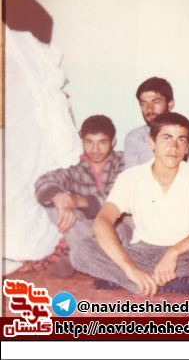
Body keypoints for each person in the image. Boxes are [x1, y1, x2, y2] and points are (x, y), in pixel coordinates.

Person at [71, 112, 189, 295]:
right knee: (82, 250)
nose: (173, 146)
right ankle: (164, 281)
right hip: (143, 251)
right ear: (152, 143)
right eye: (166, 138)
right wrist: (129, 268)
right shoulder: (131, 177)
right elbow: (101, 222)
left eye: (181, 140)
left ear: (187, 148)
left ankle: (132, 280)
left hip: (186, 250)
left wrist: (173, 252)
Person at [34, 115, 126, 277]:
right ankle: (90, 259)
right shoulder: (77, 168)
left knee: (122, 229)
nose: (95, 149)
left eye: (102, 142)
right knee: (54, 206)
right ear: (82, 141)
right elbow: (43, 181)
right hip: (87, 230)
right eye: (89, 142)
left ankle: (82, 259)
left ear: (113, 142)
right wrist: (60, 199)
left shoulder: (123, 161)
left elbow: (117, 196)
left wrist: (78, 201)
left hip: (117, 227)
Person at [124, 77, 174, 168]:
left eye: (156, 102)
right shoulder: (134, 138)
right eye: (143, 104)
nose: (149, 109)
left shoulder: (187, 134)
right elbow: (132, 174)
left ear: (170, 105)